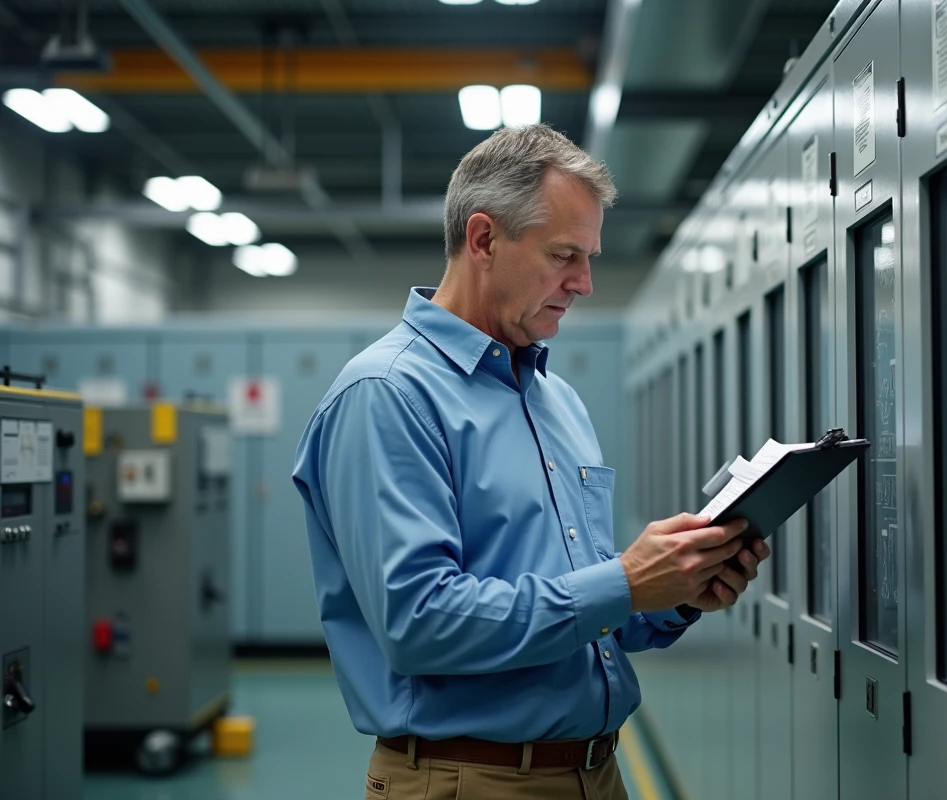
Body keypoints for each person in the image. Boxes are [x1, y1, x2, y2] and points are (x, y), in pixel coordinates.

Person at [292, 124, 770, 800]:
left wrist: (675, 591)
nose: (585, 283)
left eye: (590, 257)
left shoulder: (555, 400)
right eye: (564, 255)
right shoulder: (388, 395)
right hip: (470, 780)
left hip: (596, 772)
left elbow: (587, 610)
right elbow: (420, 622)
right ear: (484, 239)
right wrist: (625, 583)